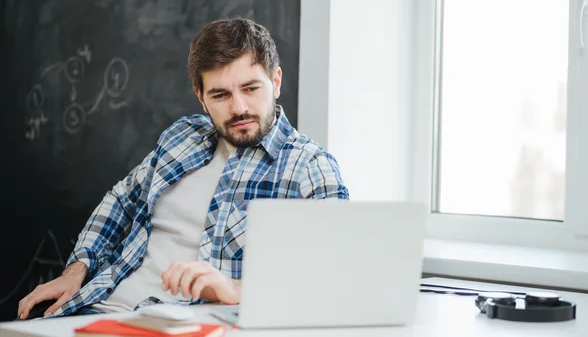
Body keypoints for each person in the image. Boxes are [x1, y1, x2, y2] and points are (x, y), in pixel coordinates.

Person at [17, 17, 349, 320]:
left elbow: (335, 275)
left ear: (275, 82)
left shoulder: (310, 167)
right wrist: (75, 272)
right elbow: (121, 200)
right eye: (220, 95)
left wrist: (236, 290)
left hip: (183, 330)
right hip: (93, 309)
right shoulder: (182, 137)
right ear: (201, 98)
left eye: (251, 88)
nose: (239, 108)